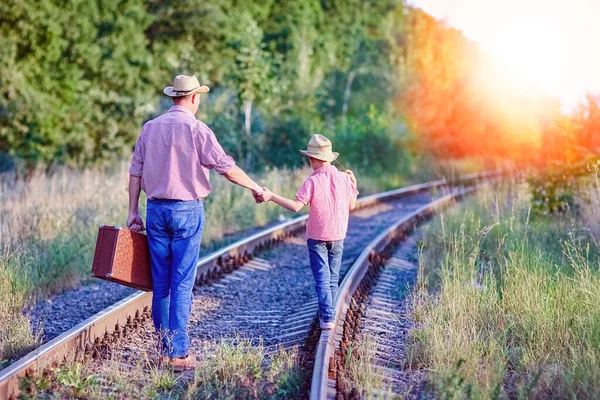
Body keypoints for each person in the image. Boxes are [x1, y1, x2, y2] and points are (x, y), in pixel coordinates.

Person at [127, 75, 264, 371]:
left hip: (156, 211)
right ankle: (178, 354)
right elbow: (226, 168)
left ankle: (164, 349)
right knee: (182, 284)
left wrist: (132, 212)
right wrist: (255, 187)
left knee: (160, 285)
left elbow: (135, 172)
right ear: (193, 98)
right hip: (187, 211)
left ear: (173, 97)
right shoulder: (198, 129)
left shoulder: (150, 128)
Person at [257, 134, 358, 329]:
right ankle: (329, 313)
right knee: (333, 276)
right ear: (329, 157)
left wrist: (271, 196)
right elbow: (351, 205)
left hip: (317, 237)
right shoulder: (344, 178)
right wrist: (354, 183)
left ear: (312, 160)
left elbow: (296, 206)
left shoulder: (312, 181)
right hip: (338, 235)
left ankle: (327, 317)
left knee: (322, 277)